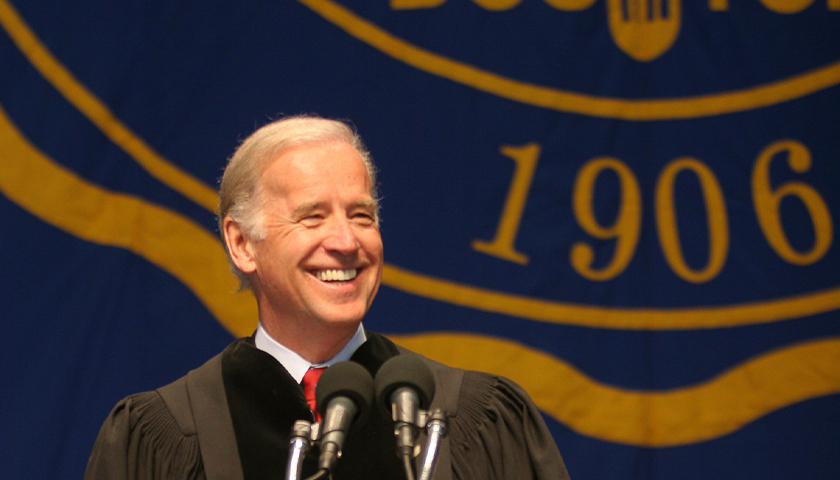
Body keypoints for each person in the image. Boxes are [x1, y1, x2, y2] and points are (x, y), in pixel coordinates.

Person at [84, 115, 571, 480]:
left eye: (361, 215)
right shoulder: (162, 437)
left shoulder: (475, 421)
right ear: (241, 243)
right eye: (312, 217)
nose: (345, 241)